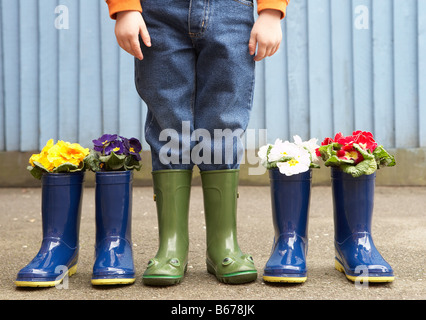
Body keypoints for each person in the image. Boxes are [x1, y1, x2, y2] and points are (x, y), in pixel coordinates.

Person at [105, 0, 289, 286]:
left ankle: (223, 245)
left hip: (230, 10)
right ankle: (172, 247)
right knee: (169, 122)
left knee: (223, 120)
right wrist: (125, 7)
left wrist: (271, 11)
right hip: (158, 12)